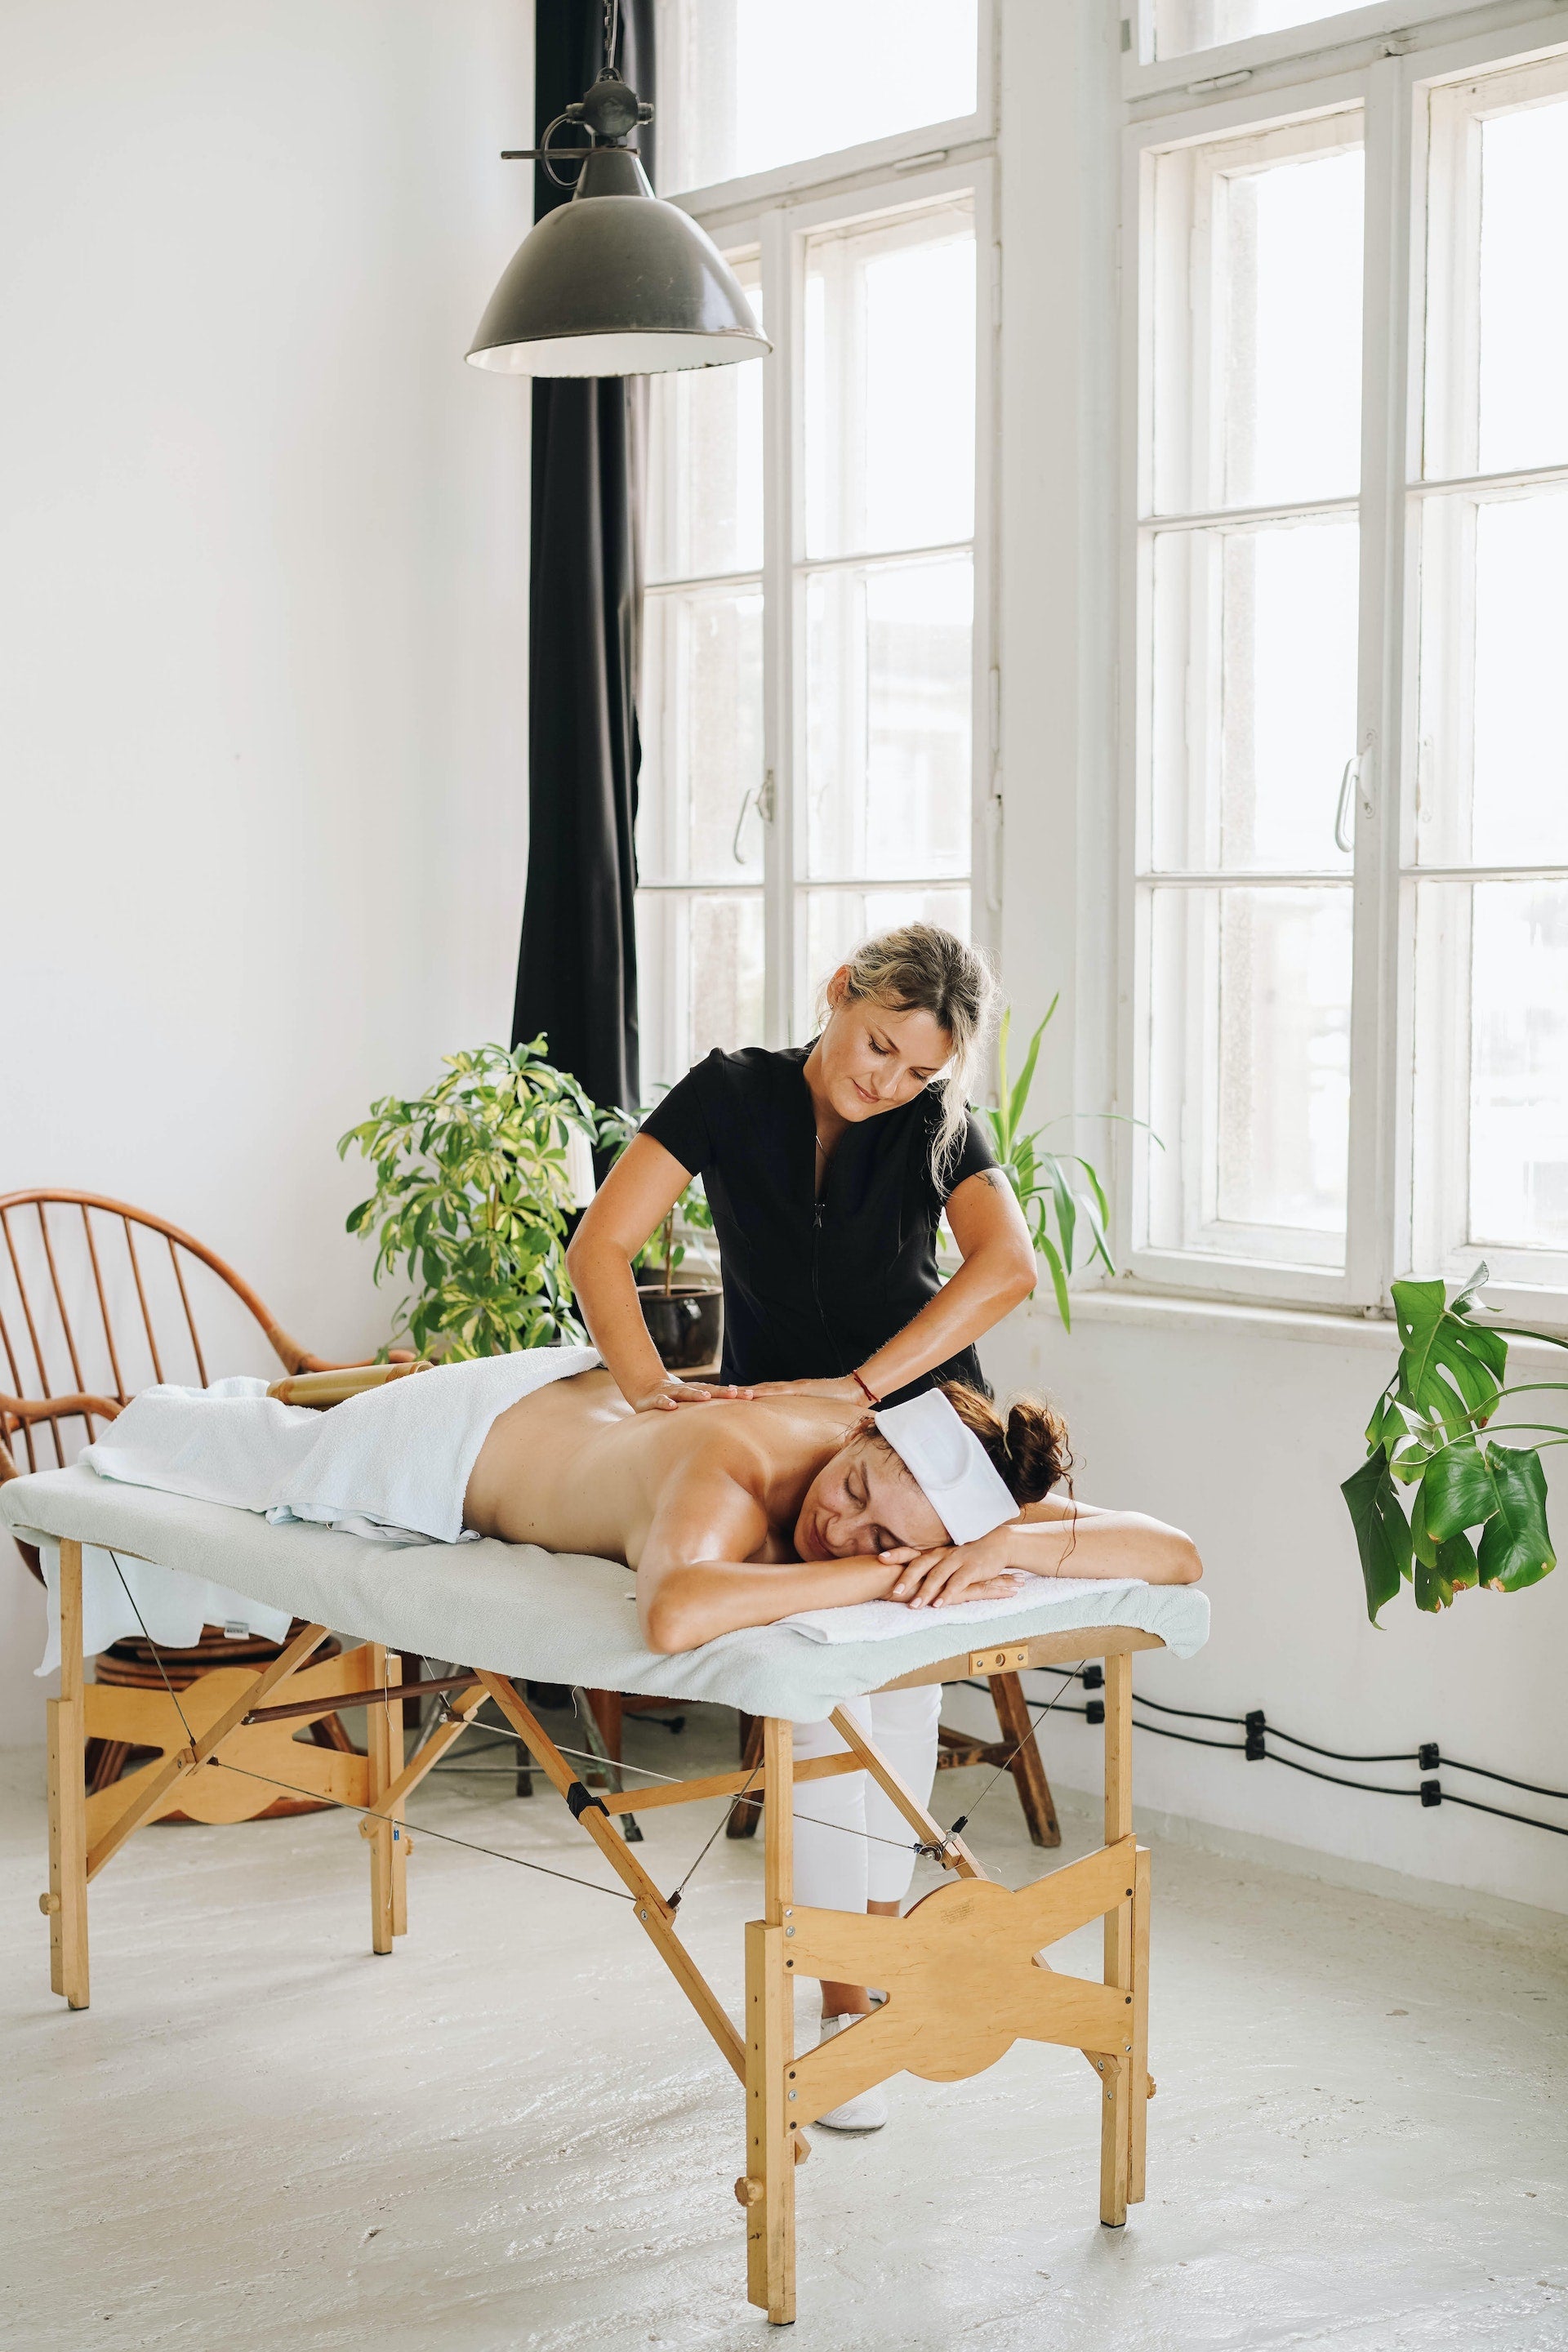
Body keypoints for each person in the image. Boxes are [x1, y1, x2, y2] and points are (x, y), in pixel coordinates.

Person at [562, 924, 1059, 2131]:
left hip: (922, 1436)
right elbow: (601, 1247)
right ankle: (851, 1989)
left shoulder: (936, 1126)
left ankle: (859, 1986)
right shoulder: (732, 1091)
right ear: (840, 993)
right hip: (789, 1445)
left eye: (919, 1069)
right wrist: (648, 1391)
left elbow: (1006, 1269)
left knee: (897, 1691)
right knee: (826, 1701)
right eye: (879, 1045)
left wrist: (864, 1386)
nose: (888, 1081)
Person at [466, 1363, 1201, 2134]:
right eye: (853, 1492)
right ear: (859, 1431)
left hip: (588, 1411)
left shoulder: (932, 1484)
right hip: (478, 1439)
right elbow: (672, 1616)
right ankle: (844, 2006)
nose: (843, 1532)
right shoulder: (739, 1460)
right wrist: (878, 1574)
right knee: (821, 1706)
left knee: (906, 1680)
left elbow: (1175, 1554)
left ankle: (878, 1961)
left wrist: (1006, 1544)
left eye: (886, 1540)